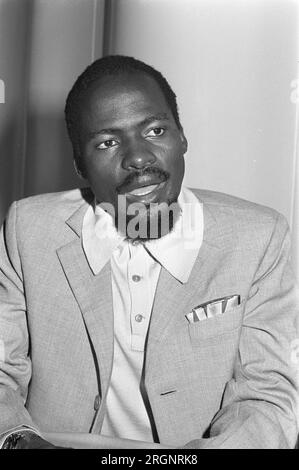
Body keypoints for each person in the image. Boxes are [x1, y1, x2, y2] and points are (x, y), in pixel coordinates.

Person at [0, 55, 298, 449]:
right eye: (107, 142)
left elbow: (267, 397)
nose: (138, 158)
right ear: (79, 165)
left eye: (155, 130)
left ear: (182, 137)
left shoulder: (258, 238)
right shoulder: (28, 229)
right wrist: (20, 441)